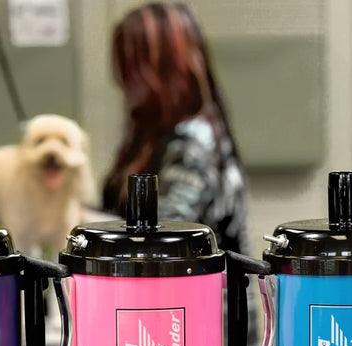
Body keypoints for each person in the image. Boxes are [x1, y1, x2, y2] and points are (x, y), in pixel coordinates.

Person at [103, 1, 250, 256]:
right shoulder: (153, 137)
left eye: (129, 68)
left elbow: (160, 239)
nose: (121, 81)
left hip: (201, 294)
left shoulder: (192, 146)